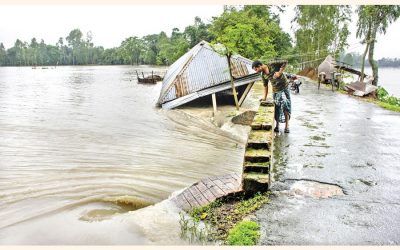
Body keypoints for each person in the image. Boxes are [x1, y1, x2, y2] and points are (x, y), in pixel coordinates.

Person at [252, 60, 291, 133]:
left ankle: (287, 126)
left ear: (260, 66)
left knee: (285, 105)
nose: (256, 71)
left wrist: (279, 72)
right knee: (277, 108)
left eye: (256, 69)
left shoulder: (272, 64)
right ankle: (277, 126)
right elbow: (265, 86)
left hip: (284, 87)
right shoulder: (263, 75)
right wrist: (264, 98)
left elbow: (285, 62)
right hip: (275, 90)